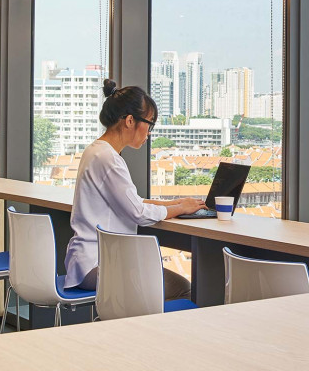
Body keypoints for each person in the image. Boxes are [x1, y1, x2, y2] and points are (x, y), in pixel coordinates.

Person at [64, 79, 206, 298]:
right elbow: (138, 213)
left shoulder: (97, 151)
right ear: (130, 121)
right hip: (99, 265)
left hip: (88, 262)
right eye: (149, 123)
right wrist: (179, 209)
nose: (149, 132)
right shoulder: (108, 158)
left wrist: (176, 204)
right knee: (184, 289)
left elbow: (133, 202)